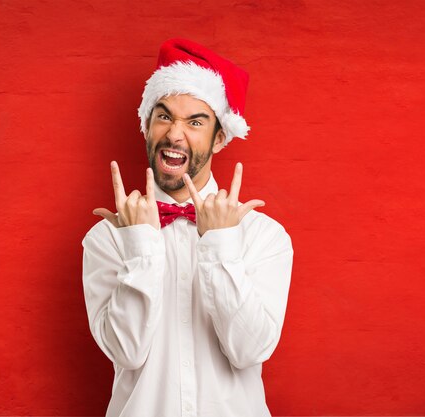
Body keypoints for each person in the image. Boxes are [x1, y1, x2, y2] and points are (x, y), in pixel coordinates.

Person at [81, 38, 294, 417]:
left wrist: (221, 245)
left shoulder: (264, 236)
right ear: (146, 127)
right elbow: (126, 352)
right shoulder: (107, 238)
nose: (175, 135)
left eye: (195, 122)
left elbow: (249, 350)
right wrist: (141, 246)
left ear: (220, 138)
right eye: (163, 116)